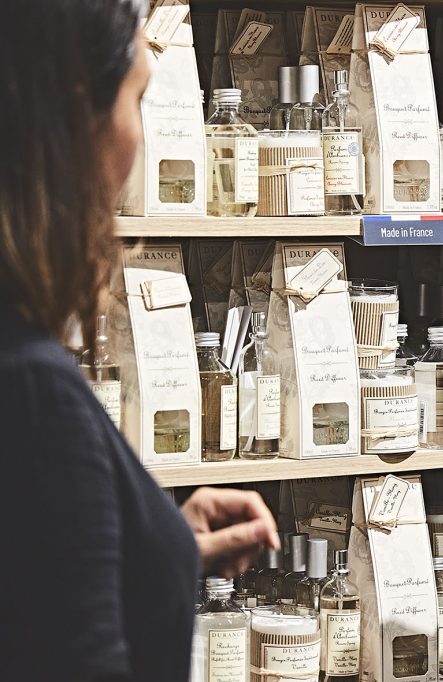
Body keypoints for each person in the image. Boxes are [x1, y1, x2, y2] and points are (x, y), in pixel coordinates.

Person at [0, 2, 279, 680]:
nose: (142, 140)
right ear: (76, 122)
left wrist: (151, 541)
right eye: (137, 99)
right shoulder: (36, 392)